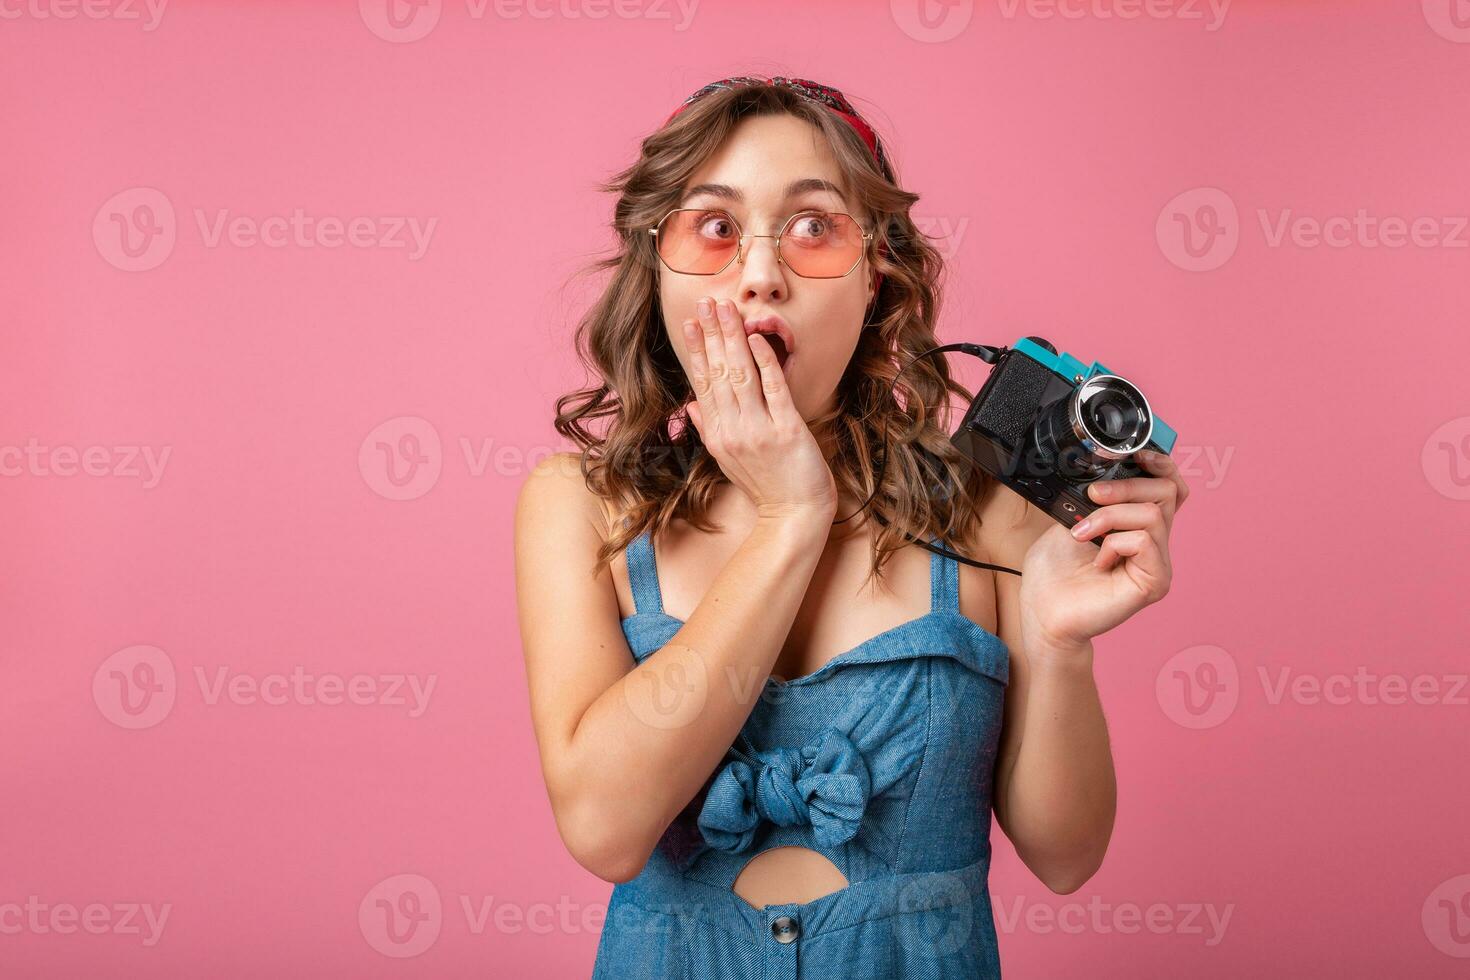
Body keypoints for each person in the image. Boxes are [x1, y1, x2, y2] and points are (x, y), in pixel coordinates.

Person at [515, 75, 1189, 978]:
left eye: (812, 228)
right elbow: (604, 828)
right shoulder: (581, 508)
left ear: (876, 271)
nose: (760, 275)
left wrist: (1060, 643)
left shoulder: (984, 514)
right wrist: (793, 515)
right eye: (713, 228)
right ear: (658, 264)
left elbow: (1067, 857)